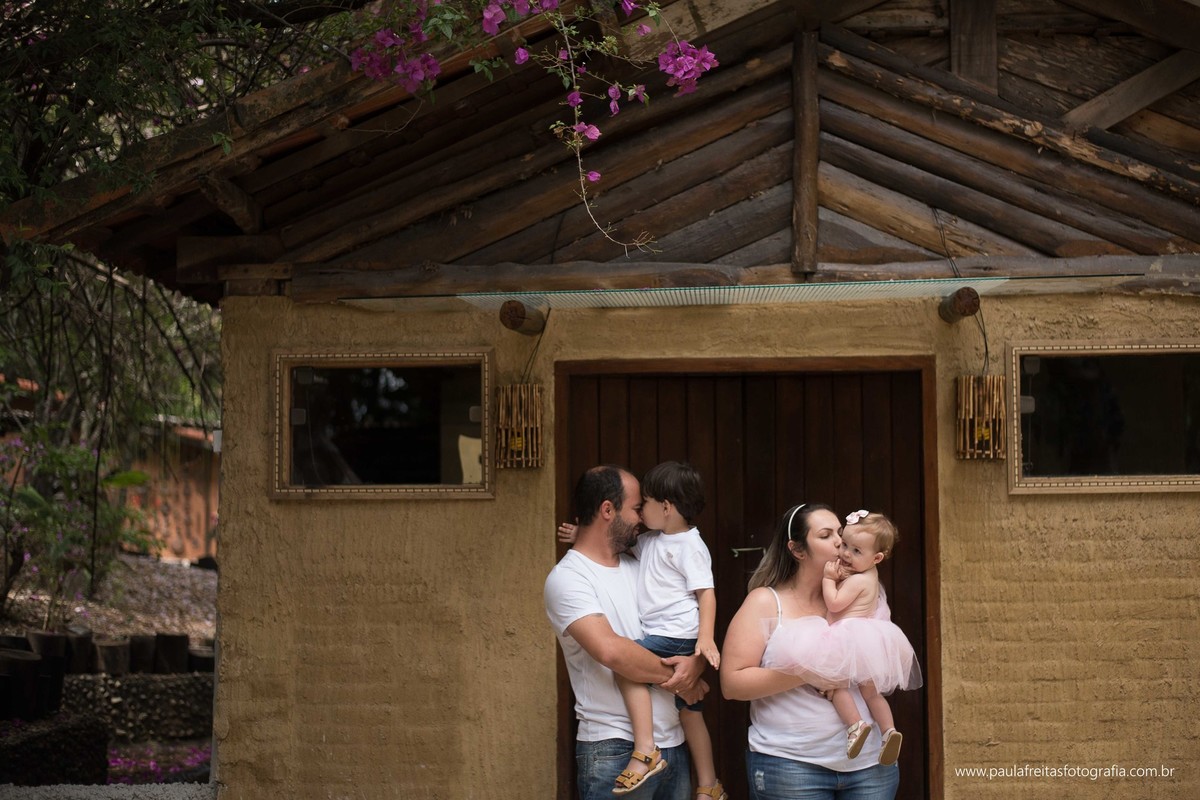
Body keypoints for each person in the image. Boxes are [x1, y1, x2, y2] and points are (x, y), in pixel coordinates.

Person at [559, 461, 727, 799]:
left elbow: (698, 603)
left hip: (673, 744)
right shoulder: (569, 578)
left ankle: (707, 783)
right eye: (636, 508)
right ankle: (646, 750)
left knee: (691, 716)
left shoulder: (641, 559)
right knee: (626, 668)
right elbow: (614, 654)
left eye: (643, 507)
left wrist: (695, 664)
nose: (640, 517)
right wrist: (683, 683)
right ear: (608, 510)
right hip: (613, 747)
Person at [720, 503, 902, 800]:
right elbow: (732, 684)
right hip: (792, 766)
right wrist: (807, 672)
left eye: (841, 535)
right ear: (798, 550)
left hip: (870, 768)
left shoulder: (861, 593)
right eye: (826, 535)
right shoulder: (765, 601)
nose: (840, 544)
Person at [762, 509, 921, 766]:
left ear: (877, 557)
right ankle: (889, 730)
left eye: (856, 551)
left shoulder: (858, 581)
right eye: (845, 545)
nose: (845, 553)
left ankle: (855, 725)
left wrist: (828, 580)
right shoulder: (868, 576)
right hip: (867, 640)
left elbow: (835, 605)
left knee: (836, 686)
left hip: (846, 635)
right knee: (872, 694)